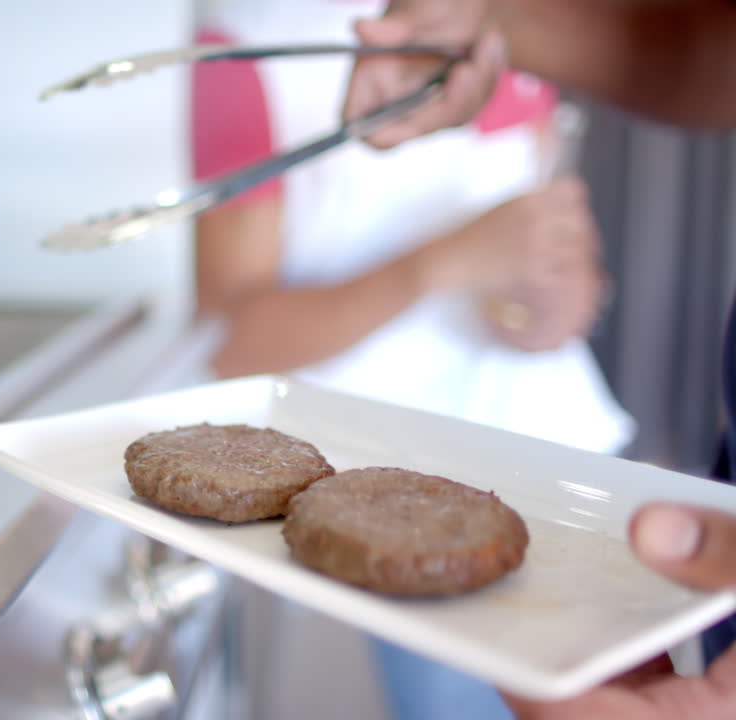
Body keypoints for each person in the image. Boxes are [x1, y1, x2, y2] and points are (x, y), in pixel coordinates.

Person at [190, 1, 635, 717]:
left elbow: (562, 268)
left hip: (568, 477)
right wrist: (442, 264)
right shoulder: (252, 45)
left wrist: (564, 301)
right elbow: (233, 339)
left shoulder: (518, 21)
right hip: (401, 503)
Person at [341, 0, 736, 717]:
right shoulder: (260, 44)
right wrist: (501, 24)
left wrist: (560, 296)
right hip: (393, 475)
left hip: (546, 471)